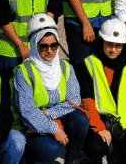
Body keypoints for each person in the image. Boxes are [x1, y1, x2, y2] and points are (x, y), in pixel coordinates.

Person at [13, 14, 89, 163]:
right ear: (34, 45)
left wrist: (48, 113)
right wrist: (53, 128)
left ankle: (71, 160)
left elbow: (74, 100)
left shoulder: (65, 67)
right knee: (54, 150)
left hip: (54, 120)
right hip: (31, 127)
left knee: (80, 119)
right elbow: (28, 112)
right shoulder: (24, 72)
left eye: (54, 45)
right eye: (44, 46)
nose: (50, 51)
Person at [78, 19, 126, 164]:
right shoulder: (89, 63)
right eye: (109, 44)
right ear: (102, 41)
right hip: (100, 123)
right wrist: (99, 128)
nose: (113, 50)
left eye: (118, 46)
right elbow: (87, 101)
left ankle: (117, 152)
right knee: (95, 148)